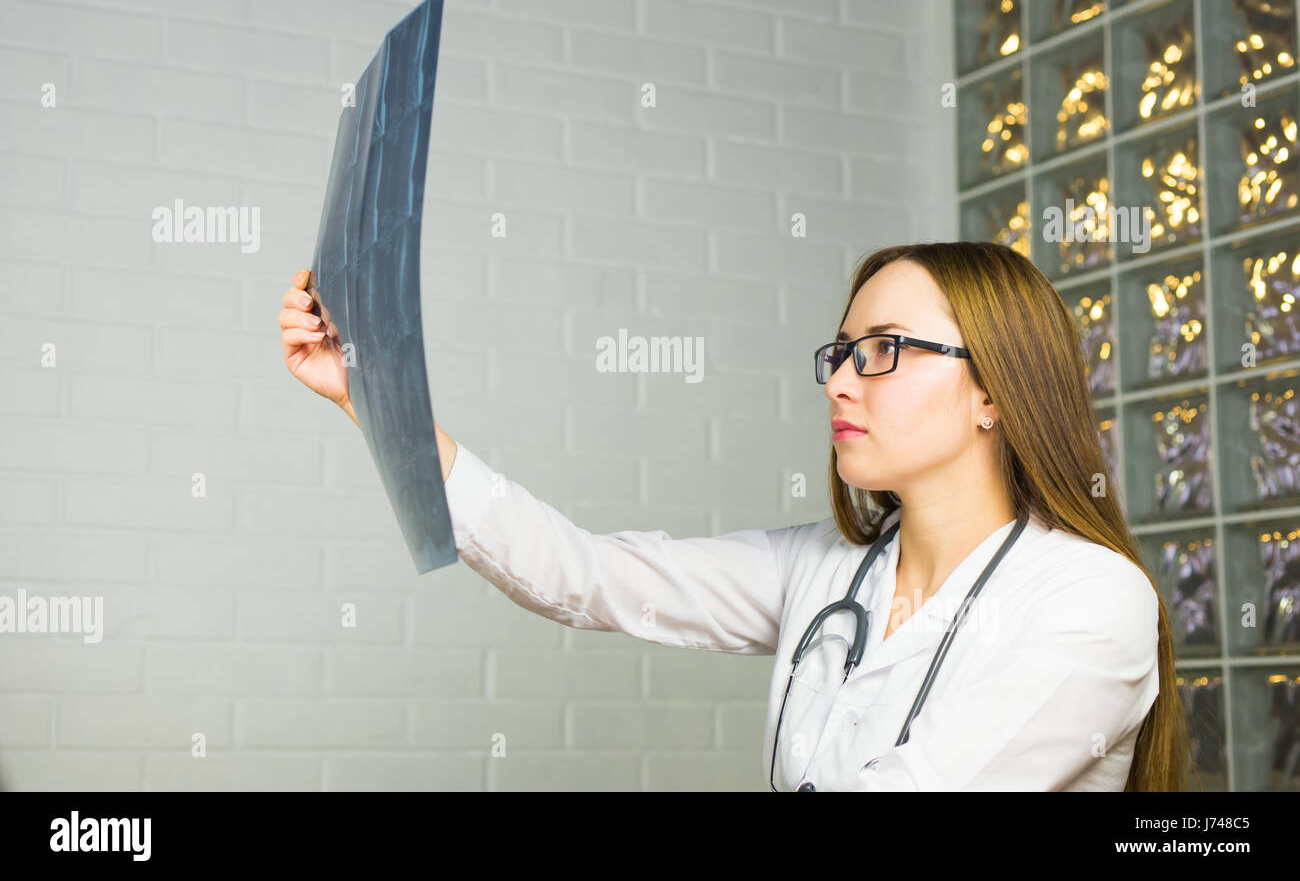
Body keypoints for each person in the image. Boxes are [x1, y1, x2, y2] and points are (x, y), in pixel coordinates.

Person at [278, 241, 1192, 791]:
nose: (838, 378)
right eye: (840, 351)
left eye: (884, 352)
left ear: (994, 390)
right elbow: (582, 574)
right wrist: (375, 395)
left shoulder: (1090, 598)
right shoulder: (829, 570)